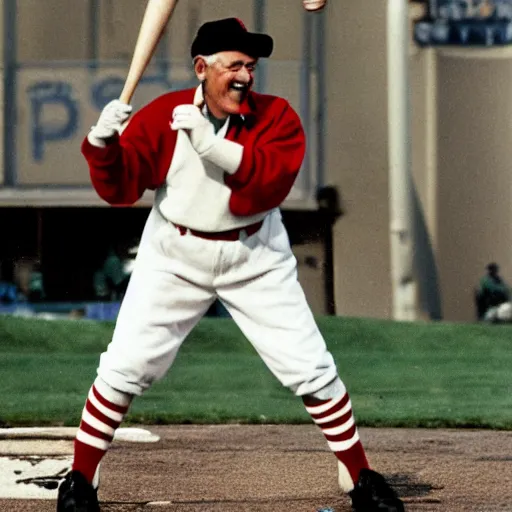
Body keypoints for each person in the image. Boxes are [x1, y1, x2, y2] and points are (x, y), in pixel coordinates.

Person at [56, 18, 404, 512]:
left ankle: (359, 476)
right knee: (125, 366)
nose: (245, 75)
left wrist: (211, 144)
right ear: (202, 68)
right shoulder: (162, 115)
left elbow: (266, 184)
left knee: (311, 367)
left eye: (250, 66)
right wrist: (103, 147)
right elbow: (121, 189)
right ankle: (81, 480)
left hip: (255, 254)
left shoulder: (277, 116)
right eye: (233, 65)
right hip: (174, 253)